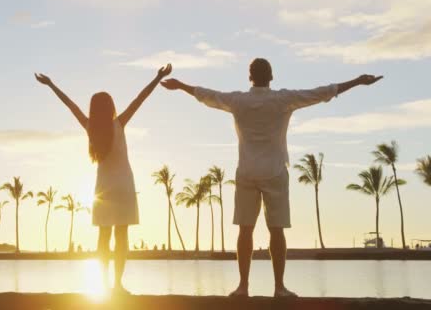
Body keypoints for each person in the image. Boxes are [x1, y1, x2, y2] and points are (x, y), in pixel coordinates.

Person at [161, 58, 382, 298]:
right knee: (276, 231)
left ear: (249, 77)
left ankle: (243, 287)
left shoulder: (238, 101)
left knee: (245, 230)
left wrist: (180, 85)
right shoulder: (282, 100)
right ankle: (279, 287)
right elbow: (322, 93)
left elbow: (207, 95)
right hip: (275, 172)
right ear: (272, 76)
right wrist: (358, 81)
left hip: (246, 172)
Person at [35, 63, 172, 295]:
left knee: (103, 236)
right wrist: (157, 77)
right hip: (125, 187)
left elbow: (70, 104)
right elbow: (141, 98)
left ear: (93, 109)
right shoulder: (119, 123)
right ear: (110, 108)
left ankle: (103, 284)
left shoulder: (90, 127)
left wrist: (51, 85)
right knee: (121, 237)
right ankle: (117, 285)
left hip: (104, 190)